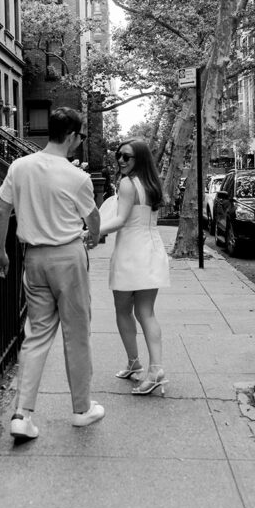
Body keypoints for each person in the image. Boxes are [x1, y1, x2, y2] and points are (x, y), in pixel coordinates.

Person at [0, 107, 104, 441]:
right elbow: (93, 218)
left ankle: (21, 415)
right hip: (68, 258)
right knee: (77, 332)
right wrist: (94, 238)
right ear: (70, 136)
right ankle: (81, 409)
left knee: (37, 335)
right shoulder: (77, 176)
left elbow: (2, 209)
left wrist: (1, 251)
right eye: (81, 136)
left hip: (33, 259)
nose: (80, 142)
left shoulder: (20, 166)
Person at [98, 137, 171, 396]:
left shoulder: (127, 183)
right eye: (119, 155)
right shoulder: (152, 184)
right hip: (152, 252)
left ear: (138, 159)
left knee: (122, 311)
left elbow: (119, 221)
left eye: (126, 157)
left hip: (130, 253)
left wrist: (89, 231)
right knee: (146, 313)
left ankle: (134, 362)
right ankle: (156, 368)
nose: (120, 160)